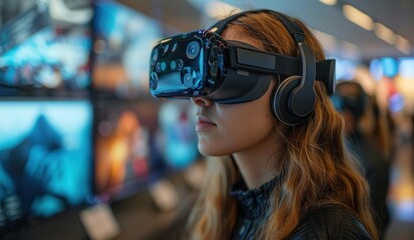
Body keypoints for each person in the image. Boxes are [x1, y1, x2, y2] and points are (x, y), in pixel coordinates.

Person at [149, 9, 378, 239]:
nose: (199, 99)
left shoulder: (329, 233)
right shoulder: (227, 210)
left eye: (228, 77)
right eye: (204, 77)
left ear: (294, 95)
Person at [332, 81, 390, 238]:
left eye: (348, 105)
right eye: (338, 101)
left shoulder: (370, 160)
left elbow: (374, 222)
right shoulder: (328, 148)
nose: (342, 112)